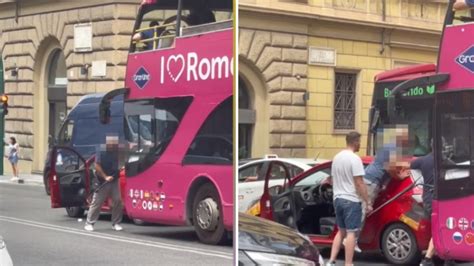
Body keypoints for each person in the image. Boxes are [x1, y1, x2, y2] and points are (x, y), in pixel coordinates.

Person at [326, 131, 372, 266]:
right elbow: (359, 182)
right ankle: (348, 263)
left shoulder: (337, 158)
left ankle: (331, 261)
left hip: (337, 199)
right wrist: (367, 201)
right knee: (351, 233)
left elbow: (333, 180)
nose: (360, 145)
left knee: (341, 231)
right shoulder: (354, 159)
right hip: (351, 200)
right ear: (355, 142)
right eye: (359, 142)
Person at [84, 134, 123, 232]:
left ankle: (116, 223)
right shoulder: (101, 150)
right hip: (102, 180)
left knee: (118, 200)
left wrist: (122, 166)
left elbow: (122, 160)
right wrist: (105, 177)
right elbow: (97, 165)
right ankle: (89, 223)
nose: (113, 146)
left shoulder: (117, 150)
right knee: (97, 202)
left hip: (114, 179)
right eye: (111, 144)